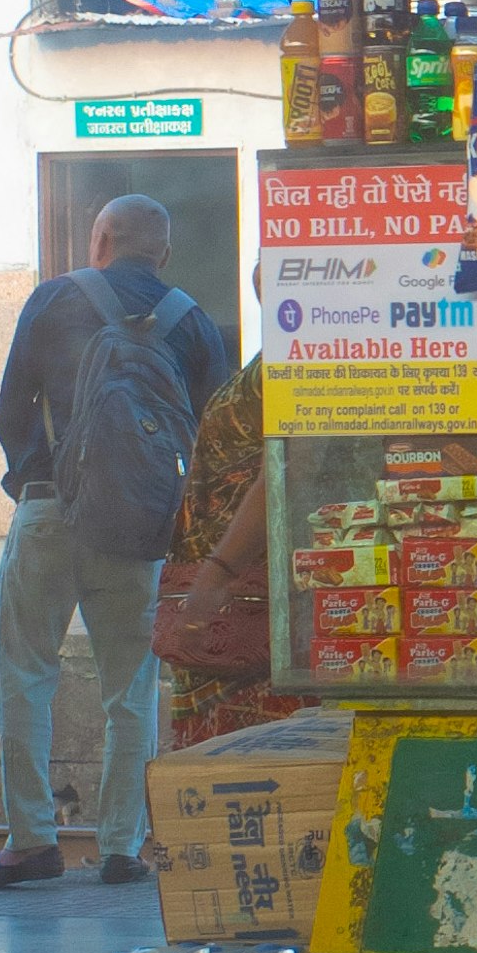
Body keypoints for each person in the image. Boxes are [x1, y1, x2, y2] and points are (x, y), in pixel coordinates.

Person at [0, 195, 231, 894]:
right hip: (138, 533)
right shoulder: (192, 321)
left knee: (25, 677)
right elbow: (217, 441)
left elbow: (9, 410)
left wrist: (38, 483)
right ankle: (119, 847)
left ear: (101, 239)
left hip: (49, 515)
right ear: (163, 253)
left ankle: (30, 842)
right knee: (132, 692)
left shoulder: (53, 300)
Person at [151, 295, 285, 751]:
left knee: (250, 771)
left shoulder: (298, 364)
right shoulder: (281, 356)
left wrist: (217, 573)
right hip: (234, 601)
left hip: (250, 601)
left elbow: (283, 471)